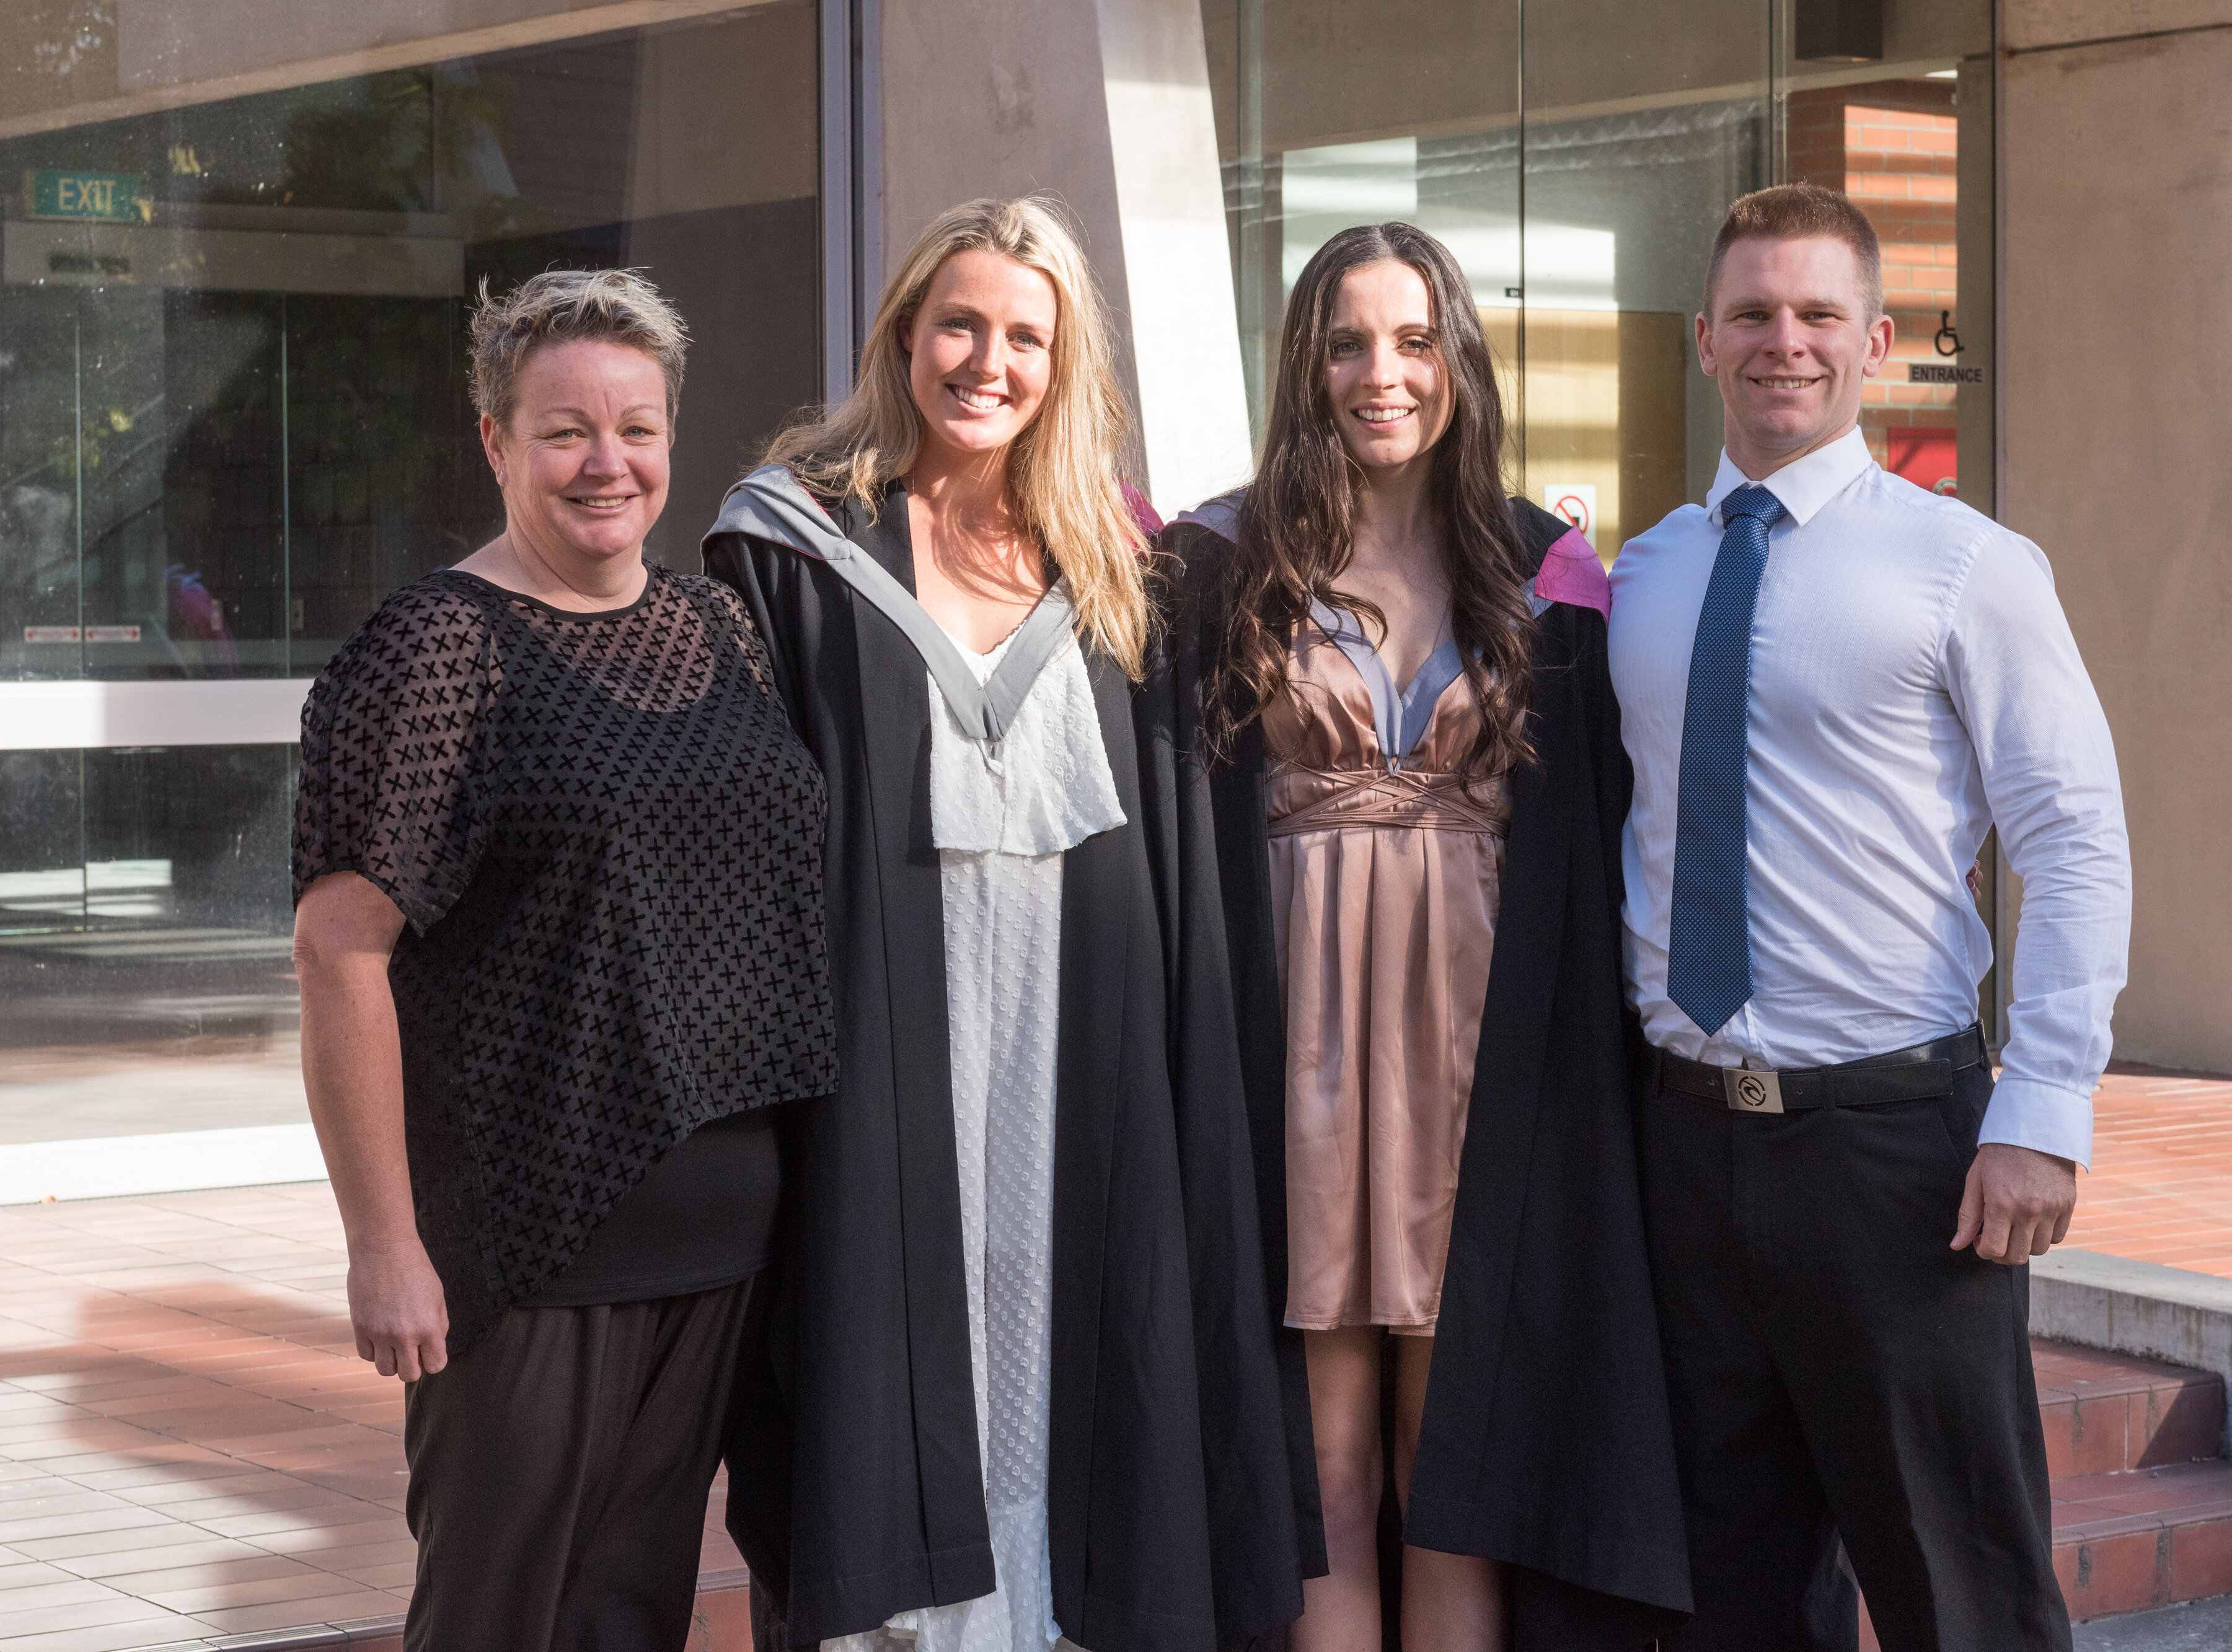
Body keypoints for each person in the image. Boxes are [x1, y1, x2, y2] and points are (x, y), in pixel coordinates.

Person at [701, 195, 1313, 1652]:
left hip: (1073, 1027)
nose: (988, 361)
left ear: (1063, 360)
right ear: (903, 334)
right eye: (959, 325)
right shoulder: (790, 542)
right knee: (892, 1315)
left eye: (1024, 337)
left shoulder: (1125, 569)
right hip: (883, 1032)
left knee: (1061, 1320)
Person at [1146, 221, 1691, 1652]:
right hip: (1292, 1046)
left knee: (1456, 1475)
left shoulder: (1540, 565)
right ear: (1303, 365)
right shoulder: (1216, 560)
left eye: (1410, 340)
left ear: (1457, 357)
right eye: (1345, 344)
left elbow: (1604, 824)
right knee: (1321, 1465)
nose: (1378, 374)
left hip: (1481, 1050)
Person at [1608, 181, 2132, 1651]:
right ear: (1703, 339)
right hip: (1681, 1145)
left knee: (1957, 1590)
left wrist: (2043, 1107)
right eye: (1752, 313)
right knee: (1727, 1594)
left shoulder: (1966, 565)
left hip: (1897, 1155)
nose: (1783, 341)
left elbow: (2072, 840)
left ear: (1874, 342)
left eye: (1816, 314)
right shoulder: (1643, 575)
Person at [289, 268, 837, 1651]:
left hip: (728, 1236)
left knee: (633, 1613)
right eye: (564, 430)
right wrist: (383, 1245)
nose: (608, 463)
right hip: (531, 1238)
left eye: (637, 428)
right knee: (500, 1616)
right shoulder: (437, 649)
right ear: (495, 441)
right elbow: (339, 952)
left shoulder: (720, 625)